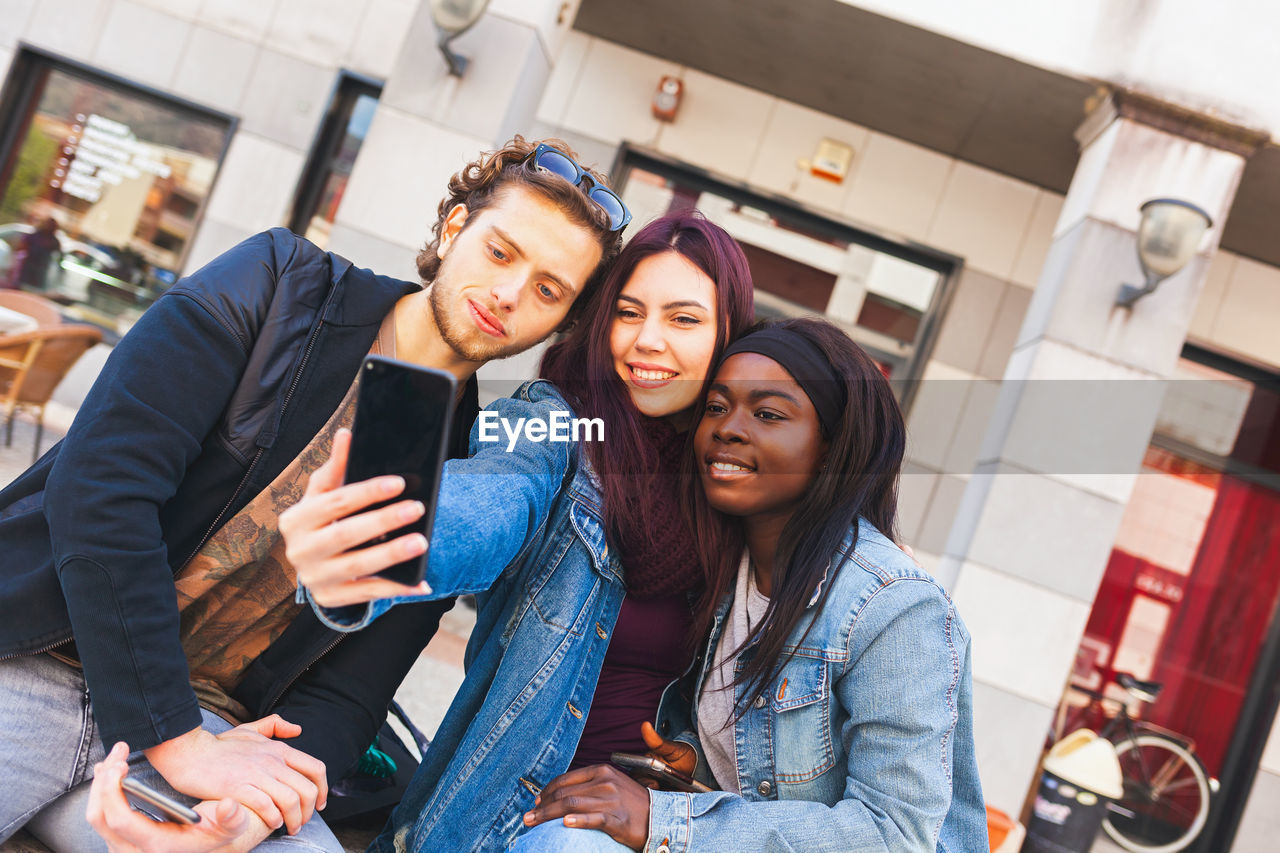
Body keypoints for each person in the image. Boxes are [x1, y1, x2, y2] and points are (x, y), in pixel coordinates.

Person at [0, 135, 626, 852]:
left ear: (562, 322)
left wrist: (258, 813)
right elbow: (101, 494)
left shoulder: (463, 465)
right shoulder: (276, 286)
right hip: (48, 657)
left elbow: (350, 694)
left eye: (549, 289)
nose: (510, 293)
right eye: (501, 252)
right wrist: (174, 739)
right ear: (456, 228)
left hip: (217, 732)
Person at [206, 211, 755, 853]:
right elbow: (497, 493)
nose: (647, 341)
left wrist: (683, 758)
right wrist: (379, 546)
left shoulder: (730, 479)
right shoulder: (555, 420)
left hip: (663, 826)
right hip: (515, 822)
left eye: (683, 319)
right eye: (628, 313)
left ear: (727, 336)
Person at [514, 318, 989, 852]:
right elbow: (772, 765)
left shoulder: (894, 607)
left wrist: (669, 822)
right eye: (716, 407)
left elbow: (896, 834)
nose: (728, 428)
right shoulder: (726, 568)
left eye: (768, 414)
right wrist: (695, 759)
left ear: (832, 448)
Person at [14, 216, 61, 289]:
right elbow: (20, 248)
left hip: (39, 274)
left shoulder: (54, 242)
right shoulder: (34, 236)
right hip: (28, 271)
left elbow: (57, 259)